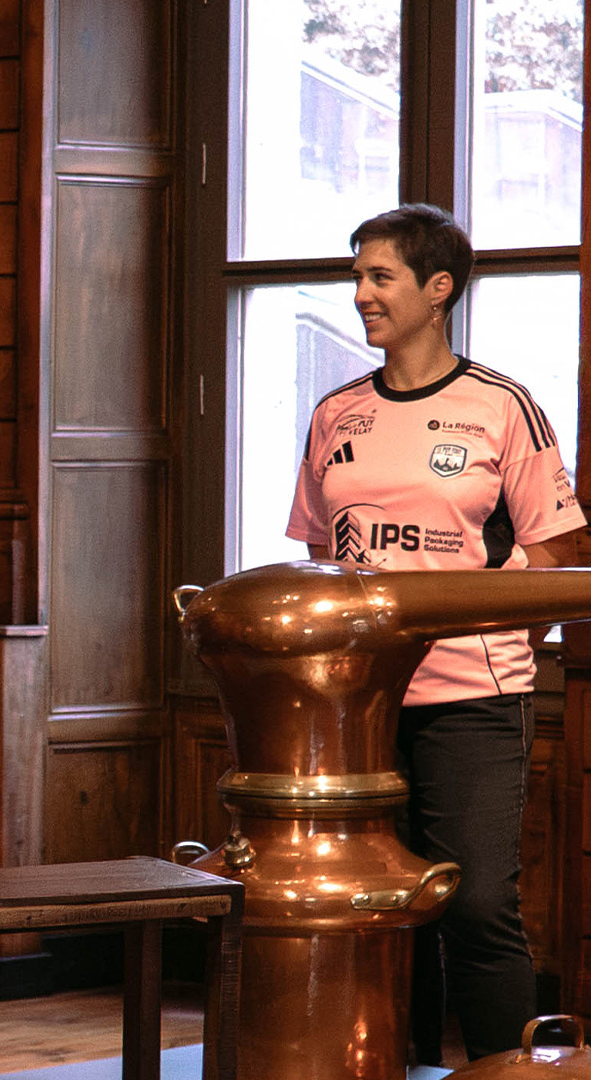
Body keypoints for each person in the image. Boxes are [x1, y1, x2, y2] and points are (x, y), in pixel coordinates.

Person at [285, 203, 584, 1062]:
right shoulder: (336, 411)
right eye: (357, 277)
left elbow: (563, 554)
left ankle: (506, 1074)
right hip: (359, 705)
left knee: (477, 904)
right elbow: (319, 554)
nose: (361, 294)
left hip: (473, 697)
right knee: (385, 910)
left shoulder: (502, 406)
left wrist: (483, 618)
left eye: (380, 277)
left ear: (438, 288)